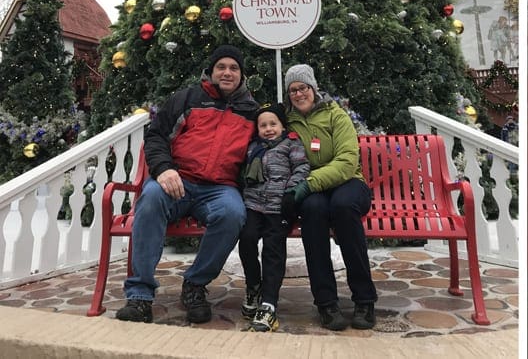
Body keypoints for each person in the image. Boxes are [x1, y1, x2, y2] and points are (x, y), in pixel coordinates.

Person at [115, 45, 257, 324]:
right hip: (177, 180)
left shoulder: (251, 111)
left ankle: (194, 284)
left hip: (219, 187)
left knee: (234, 214)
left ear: (241, 75)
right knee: (151, 198)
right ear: (212, 71)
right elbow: (155, 136)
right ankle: (140, 296)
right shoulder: (187, 98)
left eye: (234, 68)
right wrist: (164, 169)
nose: (227, 72)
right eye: (221, 67)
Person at [282, 63, 378, 331]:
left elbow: (347, 161)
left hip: (348, 183)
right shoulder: (288, 121)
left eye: (303, 88)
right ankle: (326, 302)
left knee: (344, 207)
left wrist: (310, 182)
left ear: (313, 88)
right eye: (293, 90)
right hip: (313, 190)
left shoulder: (336, 115)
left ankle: (364, 299)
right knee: (312, 211)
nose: (299, 94)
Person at [238, 102, 310, 332]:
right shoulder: (252, 148)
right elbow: (240, 173)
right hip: (253, 204)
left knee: (273, 249)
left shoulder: (292, 144)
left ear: (282, 125)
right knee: (247, 240)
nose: (268, 129)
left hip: (280, 206)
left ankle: (269, 303)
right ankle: (254, 285)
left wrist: (291, 192)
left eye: (273, 124)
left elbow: (302, 168)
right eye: (263, 125)